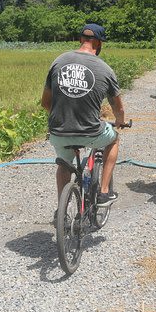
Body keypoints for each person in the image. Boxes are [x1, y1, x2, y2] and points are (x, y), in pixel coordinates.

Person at [41, 23, 127, 208]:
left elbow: (45, 103)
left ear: (81, 39)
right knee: (114, 140)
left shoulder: (59, 61)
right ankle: (104, 192)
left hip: (58, 132)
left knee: (64, 164)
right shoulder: (105, 69)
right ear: (99, 43)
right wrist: (119, 122)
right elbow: (118, 109)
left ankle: (61, 209)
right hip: (91, 132)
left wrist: (64, 119)